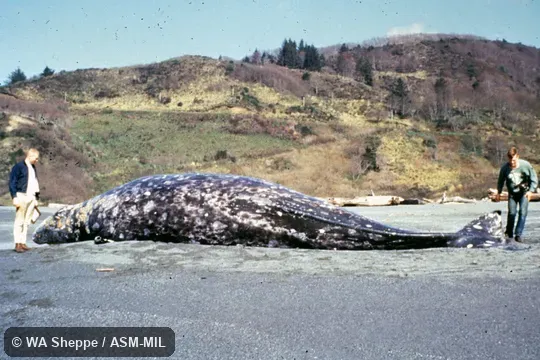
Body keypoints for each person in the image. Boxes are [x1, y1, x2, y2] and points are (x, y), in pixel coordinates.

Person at [495, 146, 538, 242]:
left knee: (522, 212)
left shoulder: (525, 165)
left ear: (517, 157)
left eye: (514, 160)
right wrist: (499, 192)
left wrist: (531, 191)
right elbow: (501, 181)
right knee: (512, 213)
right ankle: (509, 233)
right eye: (510, 160)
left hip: (524, 193)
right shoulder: (505, 168)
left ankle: (518, 234)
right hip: (512, 194)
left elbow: (534, 178)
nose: (512, 163)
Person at [9, 148, 40, 253]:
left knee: (27, 221)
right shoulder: (18, 167)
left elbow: (35, 183)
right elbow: (12, 182)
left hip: (31, 196)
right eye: (36, 158)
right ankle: (17, 243)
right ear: (30, 156)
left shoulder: (33, 167)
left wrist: (36, 198)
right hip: (21, 195)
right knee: (19, 221)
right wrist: (14, 197)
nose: (37, 160)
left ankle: (23, 242)